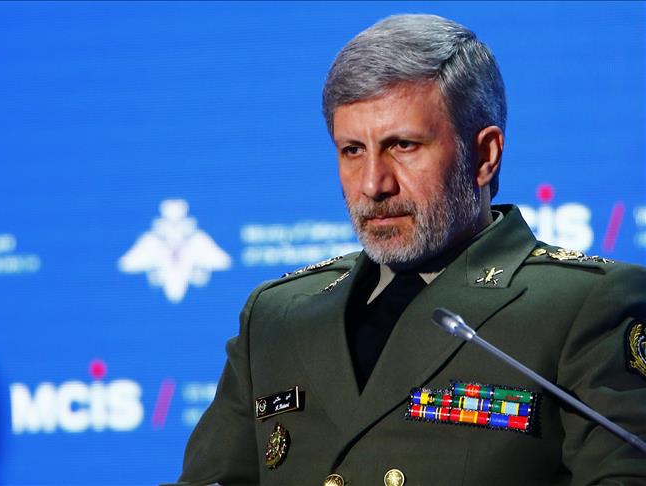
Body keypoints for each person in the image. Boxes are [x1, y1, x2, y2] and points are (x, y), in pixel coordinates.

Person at [167, 14, 646, 486]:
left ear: (484, 155)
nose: (373, 184)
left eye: (403, 145)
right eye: (353, 150)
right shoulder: (277, 316)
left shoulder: (583, 306)